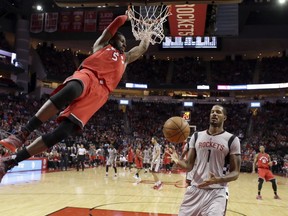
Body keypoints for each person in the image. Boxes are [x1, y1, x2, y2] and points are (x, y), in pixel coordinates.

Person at [0, 11, 152, 182]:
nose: (124, 44)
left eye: (125, 43)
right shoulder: (101, 46)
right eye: (122, 40)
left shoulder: (125, 59)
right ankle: (22, 133)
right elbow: (114, 24)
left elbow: (141, 48)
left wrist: (148, 32)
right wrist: (127, 17)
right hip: (89, 75)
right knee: (72, 89)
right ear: (112, 40)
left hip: (100, 95)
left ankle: (9, 162)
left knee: (62, 133)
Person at [170, 105, 241, 216]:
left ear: (224, 118)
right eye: (212, 112)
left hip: (217, 192)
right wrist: (177, 161)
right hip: (195, 190)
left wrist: (218, 179)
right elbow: (189, 166)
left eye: (218, 112)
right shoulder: (197, 136)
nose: (214, 114)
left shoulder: (232, 139)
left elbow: (235, 173)